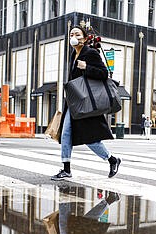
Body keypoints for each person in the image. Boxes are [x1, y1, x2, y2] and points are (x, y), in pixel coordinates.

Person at [51, 25, 121, 180]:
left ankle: (112, 159)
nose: (73, 37)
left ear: (84, 37)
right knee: (66, 134)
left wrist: (86, 67)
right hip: (74, 100)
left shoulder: (91, 53)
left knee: (89, 138)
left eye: (77, 34)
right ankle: (66, 169)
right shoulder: (72, 54)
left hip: (87, 102)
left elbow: (103, 74)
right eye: (71, 34)